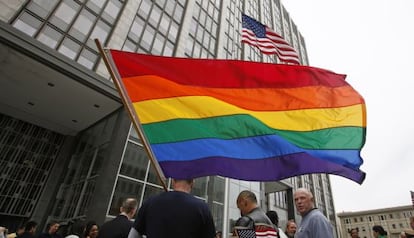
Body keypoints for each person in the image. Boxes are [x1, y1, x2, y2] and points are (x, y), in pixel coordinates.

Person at [128, 179, 216, 238]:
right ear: (192, 183)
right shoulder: (203, 209)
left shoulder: (150, 202)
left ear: (173, 181)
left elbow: (133, 235)